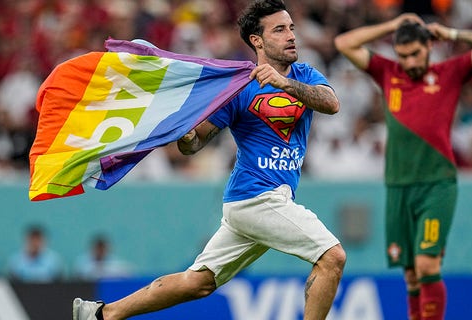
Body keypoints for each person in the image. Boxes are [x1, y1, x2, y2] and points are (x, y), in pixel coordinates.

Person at [72, 0, 346, 319]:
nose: (291, 36)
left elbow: (331, 103)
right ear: (257, 40)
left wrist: (285, 83)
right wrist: (185, 134)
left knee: (198, 282)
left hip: (257, 201)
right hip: (257, 197)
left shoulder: (304, 74)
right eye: (280, 29)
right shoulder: (238, 86)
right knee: (332, 257)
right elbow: (195, 142)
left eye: (291, 28)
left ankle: (101, 315)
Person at [334, 13, 472, 320]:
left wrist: (452, 34)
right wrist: (392, 25)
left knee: (428, 264)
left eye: (415, 53)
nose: (410, 61)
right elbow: (343, 43)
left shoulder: (450, 72)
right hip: (398, 186)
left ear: (429, 46)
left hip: (436, 184)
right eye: (403, 55)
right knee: (411, 274)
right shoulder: (388, 72)